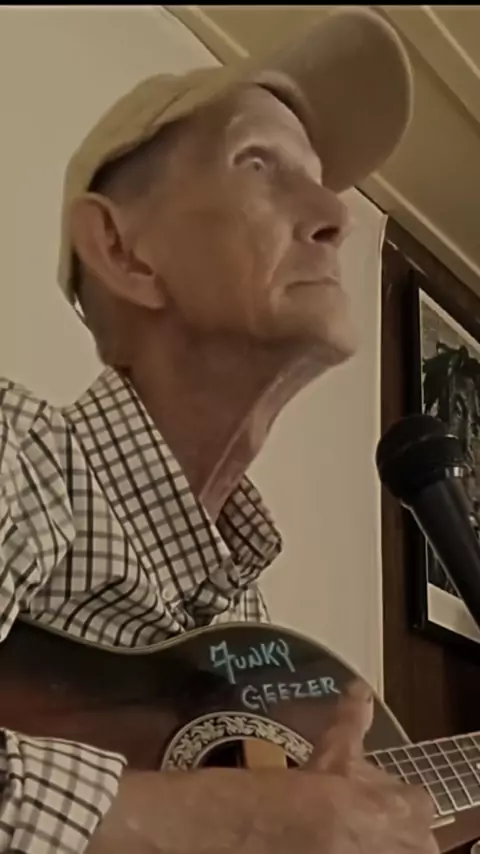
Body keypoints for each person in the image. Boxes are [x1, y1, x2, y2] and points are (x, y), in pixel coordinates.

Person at [0, 7, 439, 854]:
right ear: (123, 251)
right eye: (259, 163)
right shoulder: (15, 451)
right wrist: (237, 817)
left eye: (321, 178)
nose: (336, 213)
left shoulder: (246, 625)